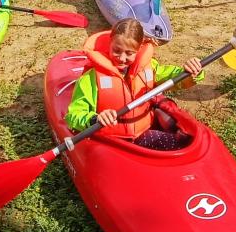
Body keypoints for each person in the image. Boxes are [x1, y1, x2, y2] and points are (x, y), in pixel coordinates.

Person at [66, 19, 203, 150]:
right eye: (117, 50)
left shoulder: (150, 68)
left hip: (142, 133)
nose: (122, 58)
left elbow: (177, 79)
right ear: (110, 44)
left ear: (138, 51)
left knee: (183, 142)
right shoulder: (91, 77)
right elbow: (74, 114)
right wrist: (94, 118)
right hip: (110, 140)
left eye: (129, 53)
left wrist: (191, 71)